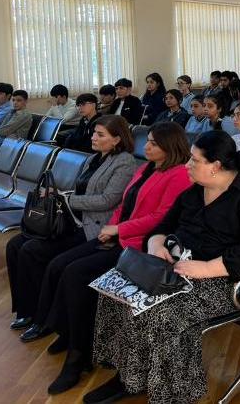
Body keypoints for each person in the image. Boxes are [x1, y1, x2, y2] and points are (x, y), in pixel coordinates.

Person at [85, 130, 240, 404]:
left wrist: (207, 268)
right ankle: (130, 375)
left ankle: (175, 392)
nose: (187, 165)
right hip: (180, 267)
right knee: (118, 292)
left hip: (231, 278)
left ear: (215, 166)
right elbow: (163, 226)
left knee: (164, 312)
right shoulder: (195, 191)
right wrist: (156, 245)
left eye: (194, 160)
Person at [42, 122, 193, 394]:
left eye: (153, 143)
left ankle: (78, 357)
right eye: (148, 141)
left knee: (76, 274)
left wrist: (119, 229)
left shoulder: (179, 174)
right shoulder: (146, 167)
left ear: (170, 146)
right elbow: (124, 204)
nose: (146, 146)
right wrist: (110, 228)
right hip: (118, 236)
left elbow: (161, 218)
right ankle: (70, 332)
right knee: (61, 265)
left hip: (138, 245)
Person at [6, 115, 137, 339]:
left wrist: (66, 199)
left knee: (32, 250)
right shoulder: (94, 159)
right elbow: (80, 191)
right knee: (15, 245)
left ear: (117, 139)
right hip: (72, 220)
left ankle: (42, 319)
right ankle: (26, 309)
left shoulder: (125, 162)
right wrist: (59, 196)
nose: (93, 137)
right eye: (94, 133)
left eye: (100, 134)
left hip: (92, 227)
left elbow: (107, 200)